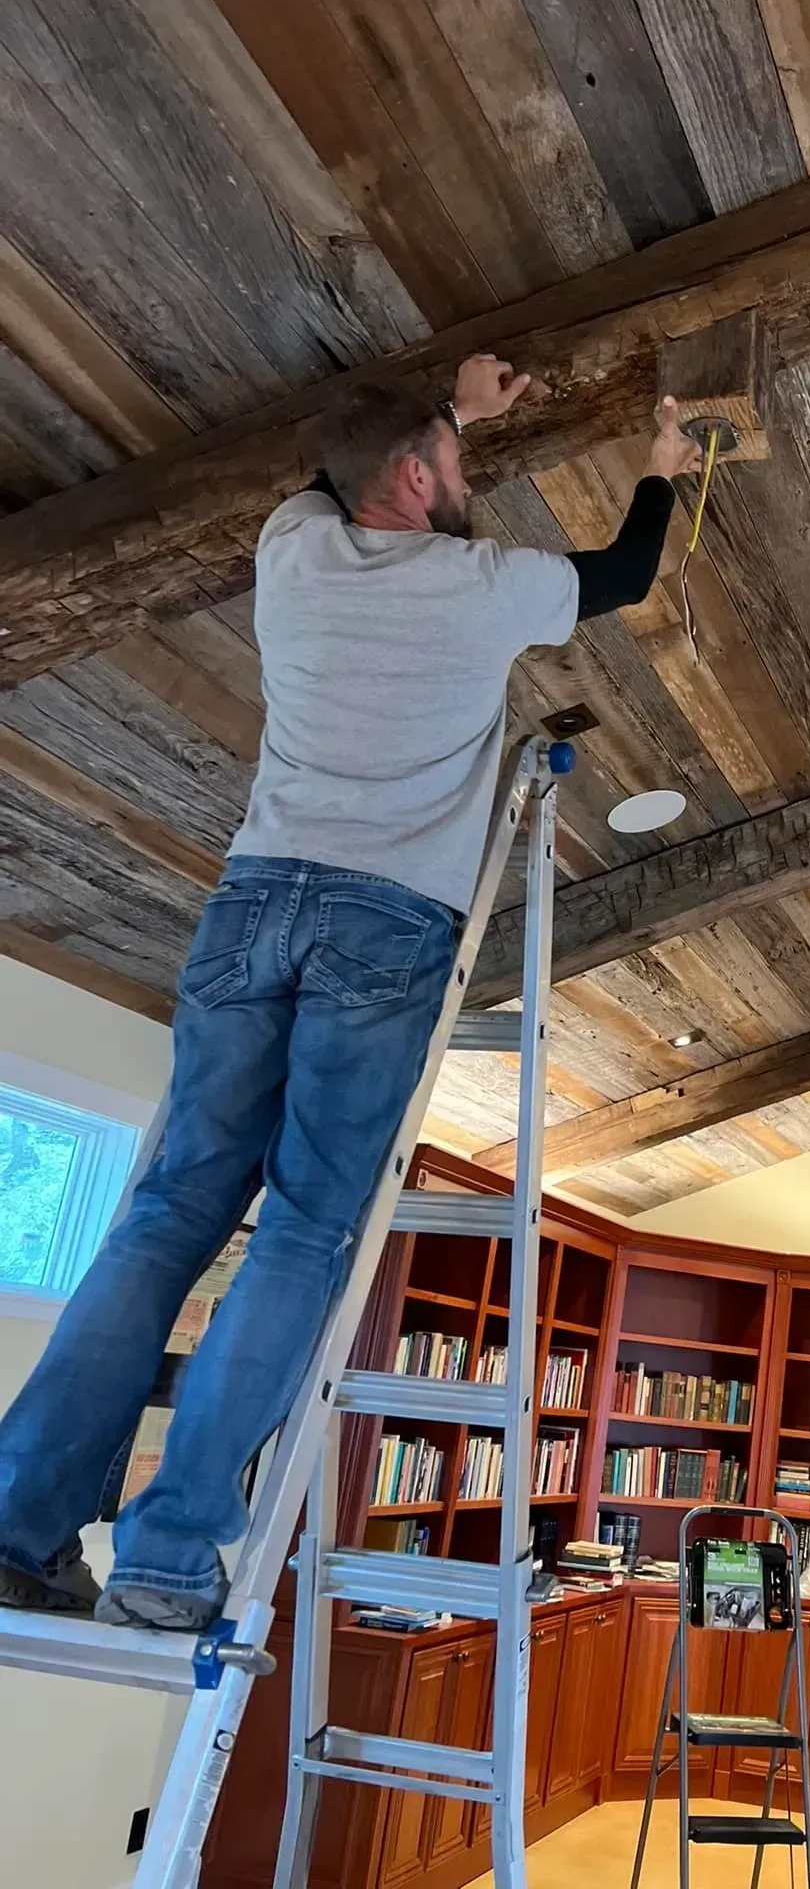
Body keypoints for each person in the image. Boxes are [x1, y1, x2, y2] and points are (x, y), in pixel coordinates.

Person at [0, 355, 700, 1631]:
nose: (472, 477)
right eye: (461, 460)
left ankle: (14, 1522)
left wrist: (450, 403)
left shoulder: (291, 551)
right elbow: (628, 568)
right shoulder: (485, 587)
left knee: (165, 1212)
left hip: (252, 900)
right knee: (307, 1228)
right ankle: (167, 1551)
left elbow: (339, 471)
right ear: (419, 478)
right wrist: (664, 465)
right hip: (384, 920)